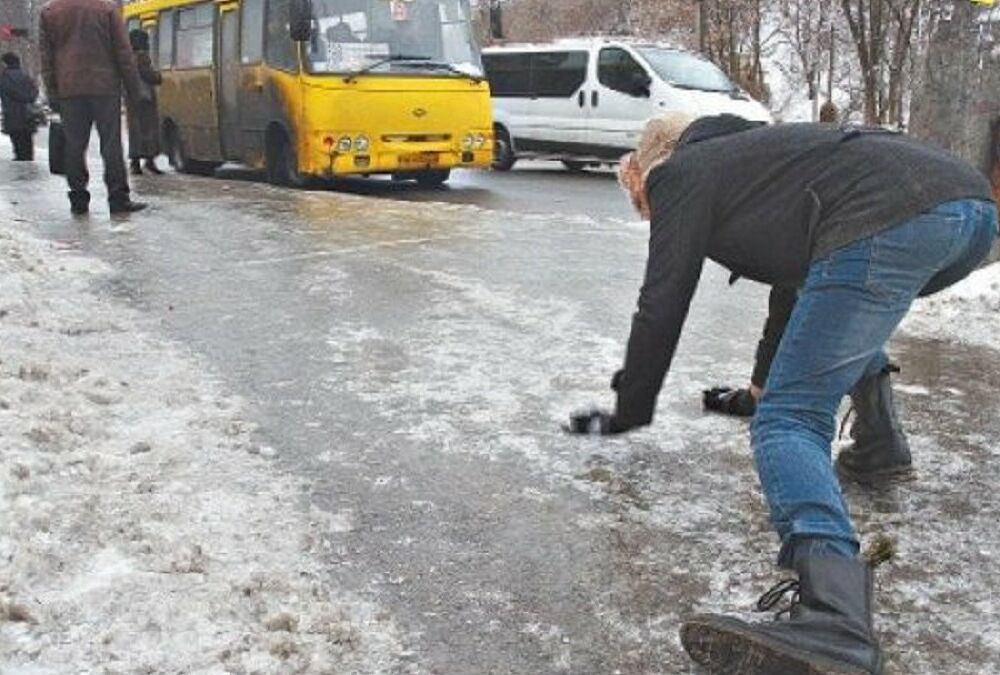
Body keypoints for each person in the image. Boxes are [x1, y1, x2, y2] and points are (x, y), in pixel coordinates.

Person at [567, 112, 998, 674]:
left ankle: (835, 619)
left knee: (788, 421)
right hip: (969, 213)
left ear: (652, 166)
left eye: (638, 192)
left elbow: (662, 301)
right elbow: (798, 293)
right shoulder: (764, 161)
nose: (644, 206)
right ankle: (880, 444)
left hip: (893, 216)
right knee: (841, 308)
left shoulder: (684, 172)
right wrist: (755, 388)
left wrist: (631, 407)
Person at [39, 0, 147, 215]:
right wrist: (134, 89)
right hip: (105, 87)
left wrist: (52, 91)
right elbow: (123, 52)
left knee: (74, 146)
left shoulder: (49, 11)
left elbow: (46, 57)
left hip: (68, 88)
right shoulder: (106, 9)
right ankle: (118, 199)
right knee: (111, 144)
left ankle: (78, 199)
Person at [126, 29, 163, 176]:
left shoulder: (127, 57)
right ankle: (149, 161)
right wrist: (158, 77)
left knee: (135, 131)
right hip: (145, 98)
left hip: (131, 98)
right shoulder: (142, 57)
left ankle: (135, 163)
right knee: (149, 130)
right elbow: (149, 75)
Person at [0, 52, 39, 161]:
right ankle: (29, 160)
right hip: (28, 114)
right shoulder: (25, 75)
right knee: (28, 140)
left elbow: (7, 91)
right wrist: (28, 99)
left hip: (13, 114)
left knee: (18, 142)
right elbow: (35, 91)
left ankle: (21, 161)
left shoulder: (5, 77)